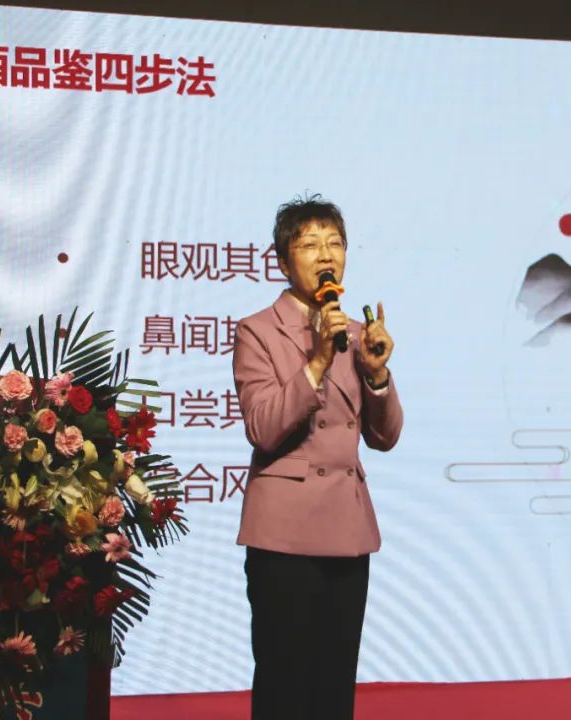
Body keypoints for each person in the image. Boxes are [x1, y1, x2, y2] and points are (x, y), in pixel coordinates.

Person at [232, 195, 403, 720]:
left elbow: (385, 437)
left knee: (334, 684)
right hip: (284, 533)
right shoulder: (258, 331)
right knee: (285, 684)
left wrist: (377, 375)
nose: (326, 254)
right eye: (309, 244)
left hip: (346, 530)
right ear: (284, 263)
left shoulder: (359, 334)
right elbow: (263, 427)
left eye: (335, 243)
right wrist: (318, 362)